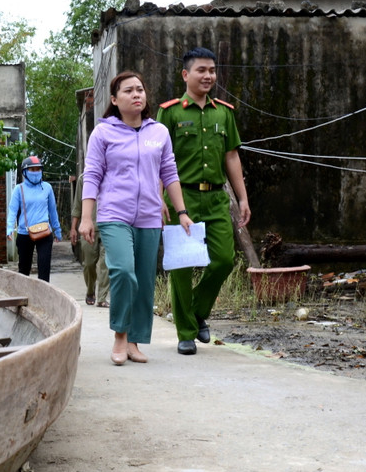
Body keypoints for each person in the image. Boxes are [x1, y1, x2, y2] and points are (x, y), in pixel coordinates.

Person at [80, 71, 192, 366]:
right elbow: (92, 175)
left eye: (140, 89)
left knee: (143, 281)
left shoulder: (159, 133)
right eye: (128, 91)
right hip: (114, 214)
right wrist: (86, 218)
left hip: (149, 217)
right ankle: (119, 334)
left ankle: (135, 341)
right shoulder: (103, 133)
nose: (136, 94)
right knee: (123, 272)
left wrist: (181, 212)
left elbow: (169, 173)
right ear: (115, 100)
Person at [156, 47, 251, 355]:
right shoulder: (170, 112)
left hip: (215, 198)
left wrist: (242, 197)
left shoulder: (224, 112)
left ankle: (196, 313)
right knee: (182, 266)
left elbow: (232, 156)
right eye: (201, 70)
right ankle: (185, 332)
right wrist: (159, 198)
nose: (208, 75)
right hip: (181, 195)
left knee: (223, 259)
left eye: (212, 70)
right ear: (186, 75)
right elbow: (160, 159)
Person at [7, 155, 62, 282]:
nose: (36, 172)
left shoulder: (47, 187)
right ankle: (23, 296)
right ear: (25, 172)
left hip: (44, 232)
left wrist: (57, 230)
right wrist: (10, 228)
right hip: (24, 233)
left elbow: (52, 210)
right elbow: (12, 210)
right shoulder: (19, 189)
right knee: (24, 270)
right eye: (32, 170)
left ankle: (43, 299)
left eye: (38, 169)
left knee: (44, 268)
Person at [69, 174, 110, 307]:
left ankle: (102, 297)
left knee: (106, 263)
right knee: (89, 264)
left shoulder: (113, 174)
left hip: (109, 225)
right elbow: (77, 205)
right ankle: (90, 290)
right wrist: (73, 228)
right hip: (89, 227)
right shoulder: (84, 178)